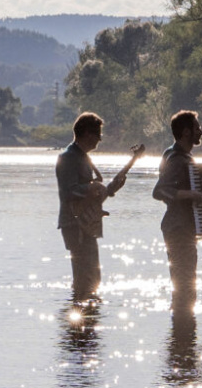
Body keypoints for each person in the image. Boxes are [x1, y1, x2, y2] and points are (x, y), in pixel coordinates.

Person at [54, 111, 144, 305]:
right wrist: (91, 187)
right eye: (98, 134)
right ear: (87, 134)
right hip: (75, 224)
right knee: (84, 277)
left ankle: (85, 321)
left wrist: (112, 189)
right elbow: (69, 192)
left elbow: (94, 195)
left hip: (87, 224)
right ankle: (80, 324)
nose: (100, 139)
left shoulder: (83, 157)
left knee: (92, 277)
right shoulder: (68, 157)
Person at [151, 109, 202, 310]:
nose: (201, 132)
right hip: (178, 228)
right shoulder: (175, 158)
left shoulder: (176, 155)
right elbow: (159, 191)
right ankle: (182, 334)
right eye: (197, 128)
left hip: (182, 227)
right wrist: (191, 194)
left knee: (185, 283)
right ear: (186, 132)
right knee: (185, 284)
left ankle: (182, 333)